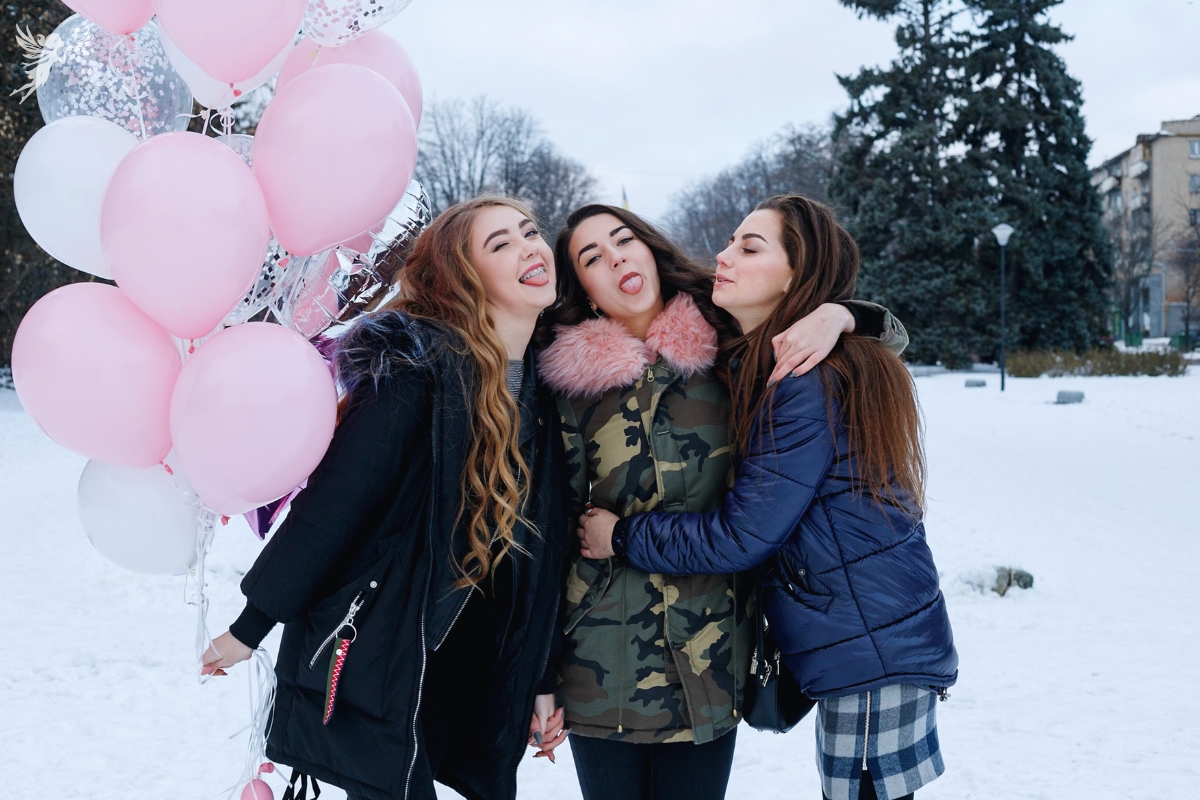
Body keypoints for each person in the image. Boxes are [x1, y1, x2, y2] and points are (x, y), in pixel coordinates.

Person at [577, 195, 958, 800]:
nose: (724, 256)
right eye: (729, 242)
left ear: (794, 273)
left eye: (749, 247)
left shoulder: (802, 380)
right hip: (870, 635)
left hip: (869, 642)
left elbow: (742, 535)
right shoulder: (778, 356)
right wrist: (842, 314)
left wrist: (619, 535)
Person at [200, 196, 570, 800]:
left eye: (530, 232)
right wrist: (251, 625)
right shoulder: (416, 370)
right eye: (500, 244)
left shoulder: (542, 387)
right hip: (383, 647)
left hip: (467, 661)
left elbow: (542, 555)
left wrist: (539, 675)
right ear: (465, 277)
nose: (530, 246)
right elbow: (338, 504)